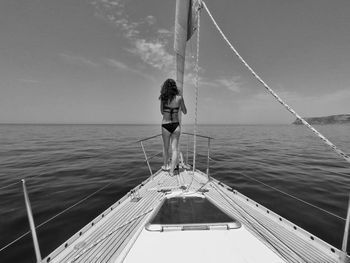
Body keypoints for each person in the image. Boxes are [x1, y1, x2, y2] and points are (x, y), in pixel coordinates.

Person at [159, 78, 187, 176]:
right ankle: (171, 172)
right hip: (175, 125)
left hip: (165, 125)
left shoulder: (163, 98)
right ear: (175, 87)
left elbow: (162, 112)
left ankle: (166, 166)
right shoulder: (179, 97)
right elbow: (185, 111)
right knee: (174, 149)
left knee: (166, 148)